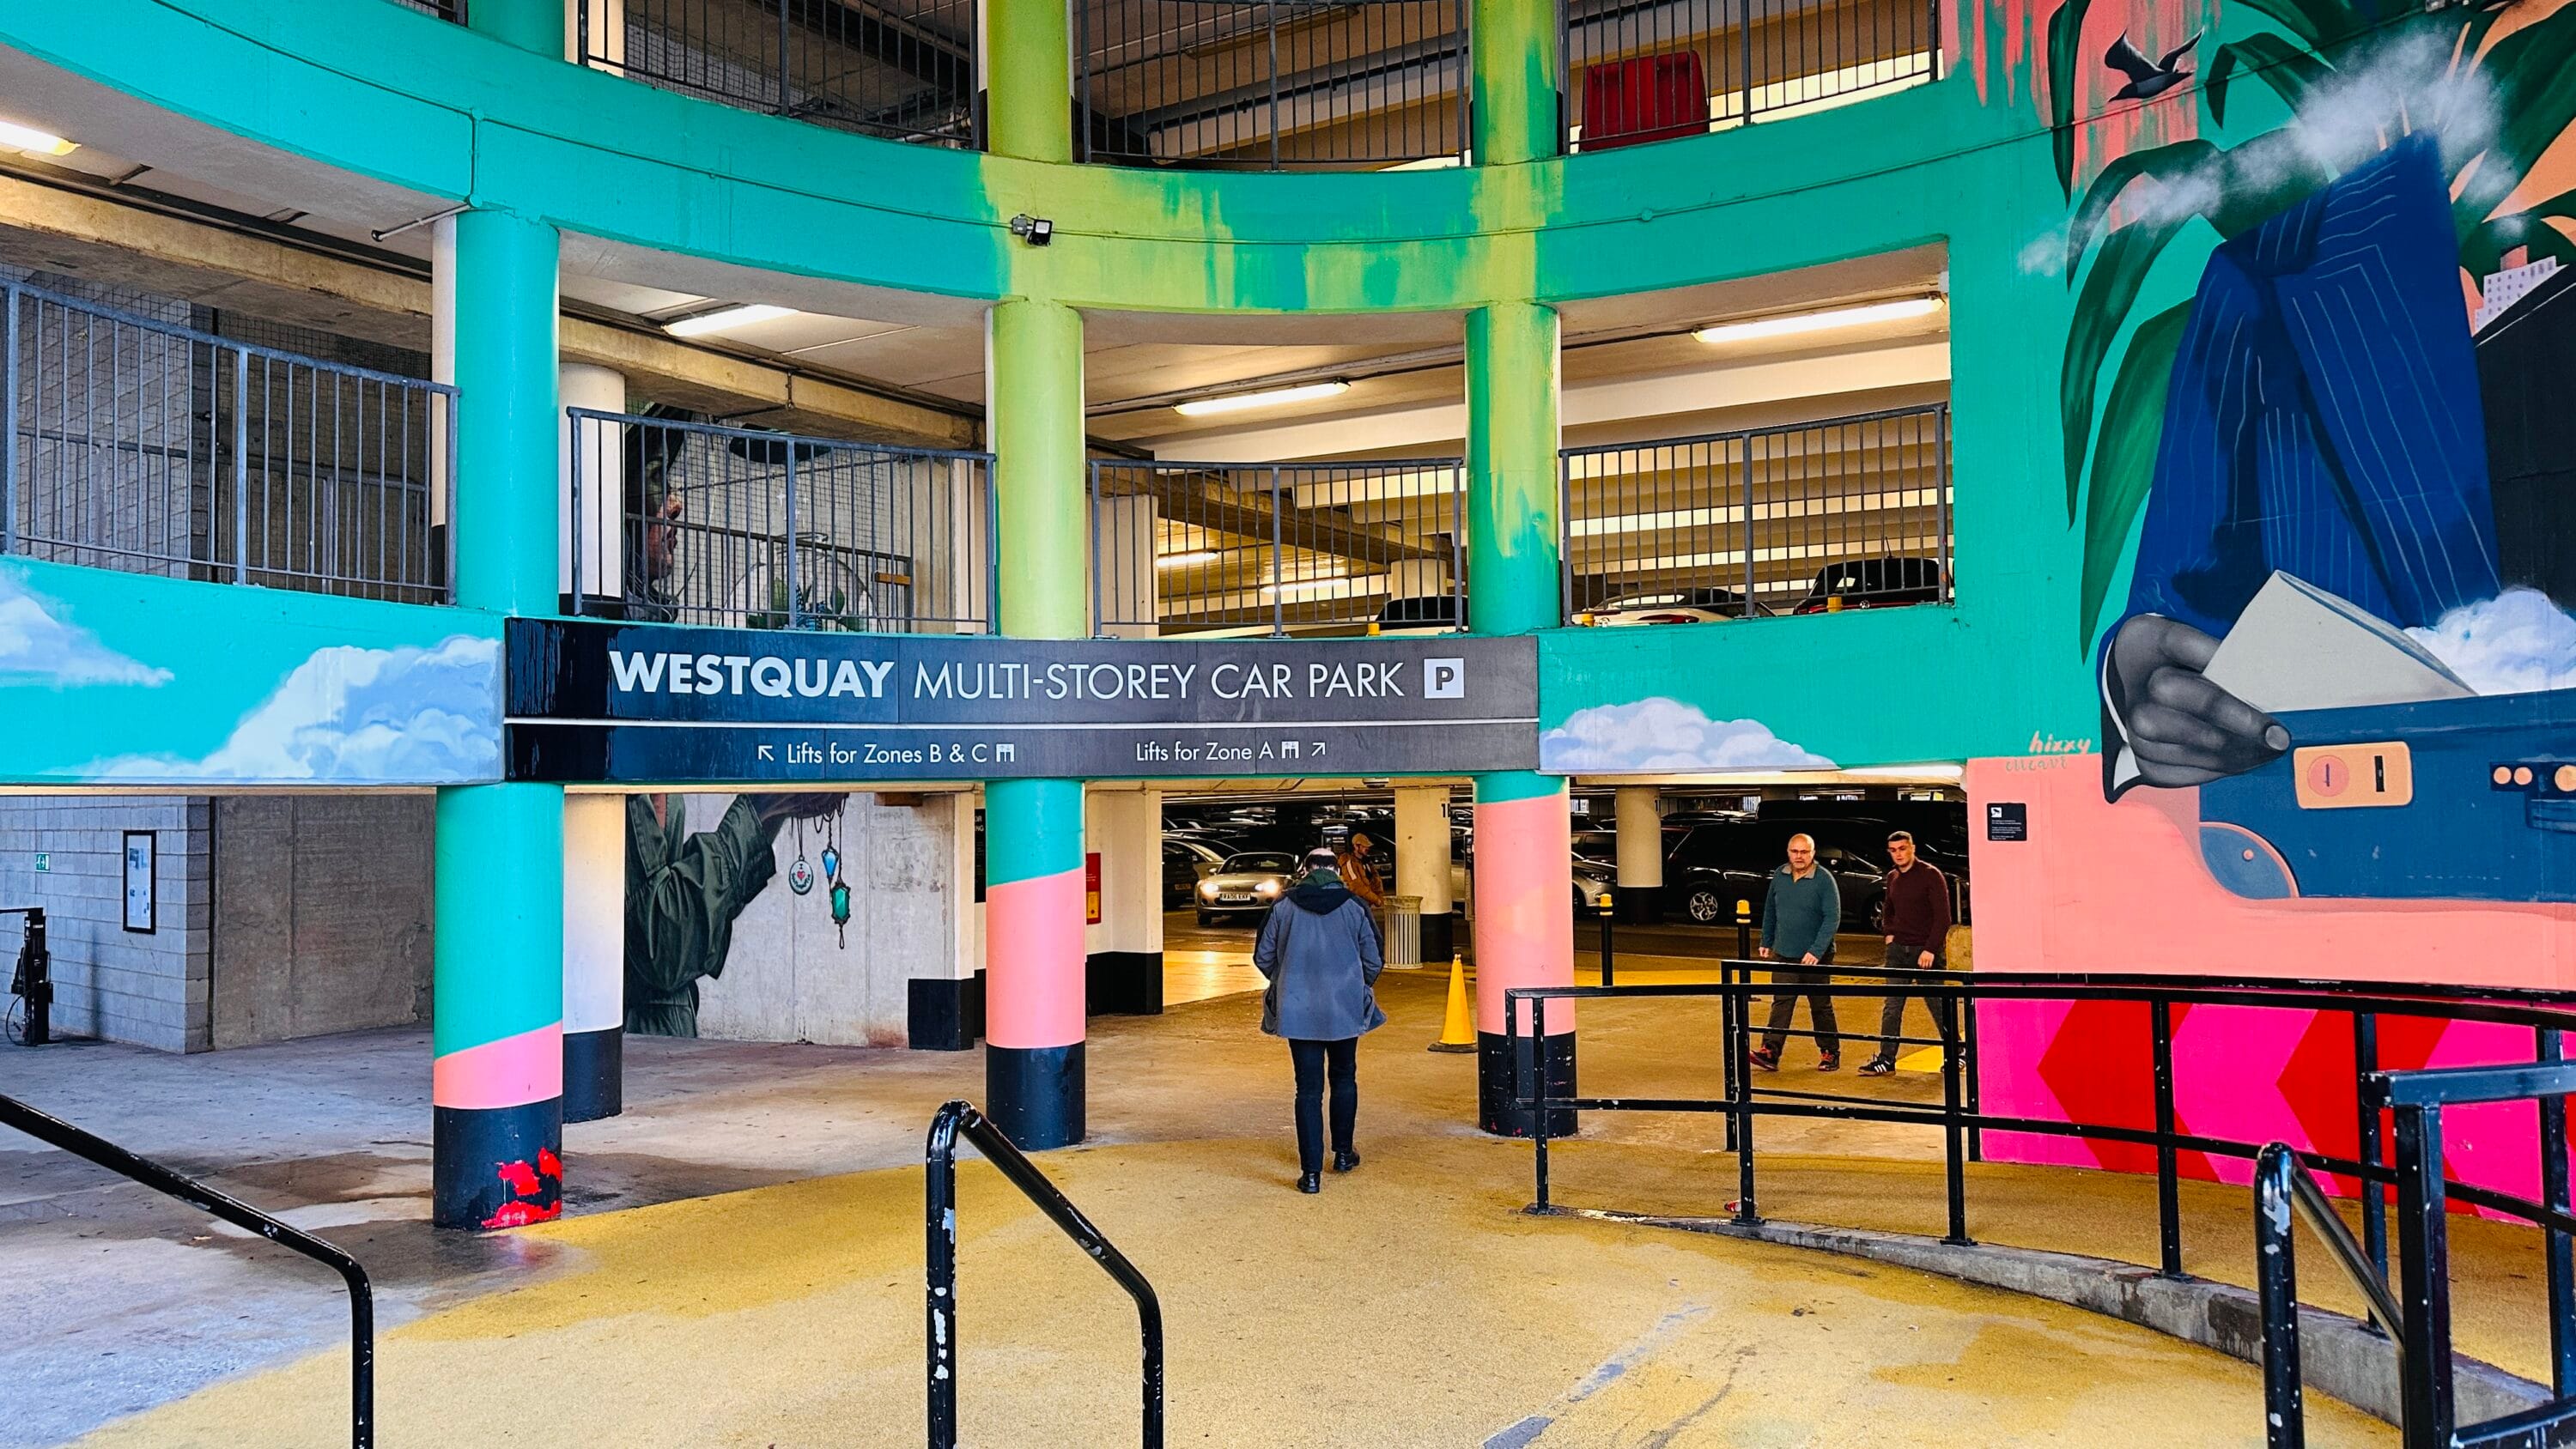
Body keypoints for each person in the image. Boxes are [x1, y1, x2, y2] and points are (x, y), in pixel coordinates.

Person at [625, 791, 841, 1036]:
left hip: (666, 1035)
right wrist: (757, 810)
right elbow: (664, 948)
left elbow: (702, 921)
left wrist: (771, 813)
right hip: (634, 1040)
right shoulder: (625, 788)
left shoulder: (655, 781)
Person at [1253, 847, 1387, 1193]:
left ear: (1306, 870)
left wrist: (1286, 981)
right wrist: (1355, 985)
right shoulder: (1355, 906)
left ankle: (1311, 1174)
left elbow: (1263, 956)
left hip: (1298, 1011)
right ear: (1336, 871)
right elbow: (1374, 959)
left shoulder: (1283, 906)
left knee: (1308, 1090)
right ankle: (1342, 1154)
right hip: (1344, 1008)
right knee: (1344, 1078)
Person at [1860, 830, 1954, 1077]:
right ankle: (1886, 1058)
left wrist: (1930, 949)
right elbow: (1888, 909)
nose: (1898, 854)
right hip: (1898, 952)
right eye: (1893, 850)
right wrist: (1889, 934)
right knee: (1892, 1006)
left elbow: (1943, 918)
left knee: (1938, 1005)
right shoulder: (1892, 877)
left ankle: (1957, 1052)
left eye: (1902, 848)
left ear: (1912, 848)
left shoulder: (1931, 875)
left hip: (1926, 954)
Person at [1750, 833, 1841, 1072]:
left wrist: (1816, 951)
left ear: (1813, 853)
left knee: (1820, 1005)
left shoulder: (1824, 880)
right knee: (1781, 1002)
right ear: (1788, 852)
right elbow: (1771, 910)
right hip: (1784, 952)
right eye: (1795, 851)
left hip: (1816, 958)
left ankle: (1830, 1052)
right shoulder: (1779, 876)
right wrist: (1767, 939)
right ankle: (1770, 1051)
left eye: (1804, 852)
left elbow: (1832, 918)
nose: (1799, 856)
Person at [1335, 831, 1387, 912]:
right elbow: (1356, 886)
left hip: (1366, 903)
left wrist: (1379, 897)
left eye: (1367, 846)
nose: (1367, 848)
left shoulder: (1367, 862)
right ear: (1356, 846)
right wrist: (1376, 899)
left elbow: (1376, 880)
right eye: (1364, 846)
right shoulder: (1349, 862)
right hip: (1356, 904)